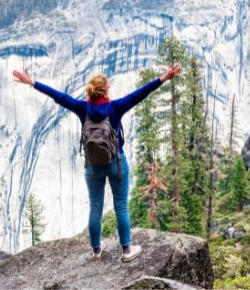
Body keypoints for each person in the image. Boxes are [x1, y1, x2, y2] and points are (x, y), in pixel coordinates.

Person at [11, 64, 181, 261]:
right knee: (121, 206)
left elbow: (58, 96)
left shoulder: (83, 109)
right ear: (107, 90)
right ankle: (126, 250)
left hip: (93, 165)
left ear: (90, 91)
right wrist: (164, 78)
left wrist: (32, 82)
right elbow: (141, 93)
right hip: (116, 162)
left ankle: (96, 250)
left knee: (95, 207)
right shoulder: (116, 107)